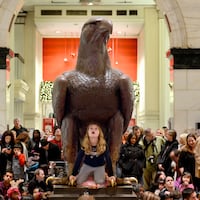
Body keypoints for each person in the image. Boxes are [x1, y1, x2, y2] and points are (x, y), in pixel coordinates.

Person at [69, 123, 115, 188]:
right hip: (87, 165)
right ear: (87, 132)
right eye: (91, 129)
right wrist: (73, 174)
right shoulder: (84, 145)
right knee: (79, 181)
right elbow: (78, 159)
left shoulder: (103, 145)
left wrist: (111, 175)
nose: (93, 130)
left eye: (96, 129)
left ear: (99, 132)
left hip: (99, 166)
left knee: (100, 182)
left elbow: (108, 159)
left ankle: (105, 175)